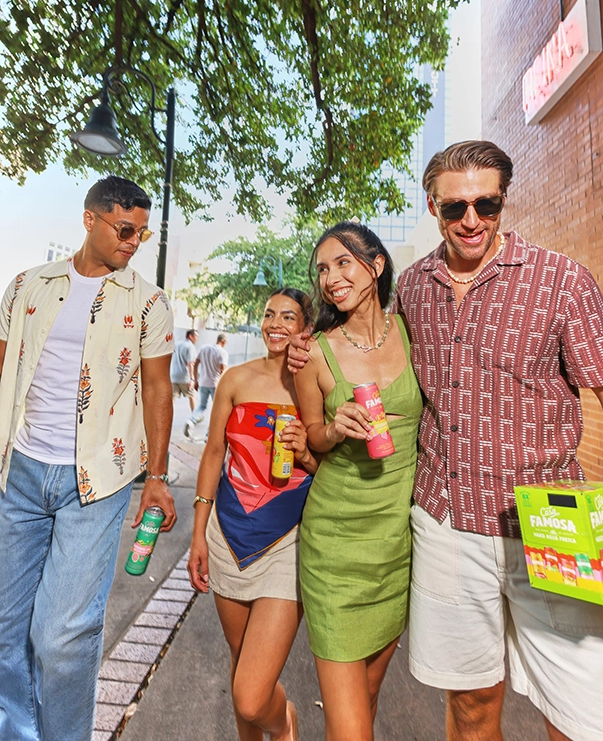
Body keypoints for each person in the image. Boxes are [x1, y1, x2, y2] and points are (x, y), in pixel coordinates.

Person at [288, 141, 603, 741]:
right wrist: (300, 344)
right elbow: (363, 339)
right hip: (447, 522)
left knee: (578, 713)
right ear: (432, 206)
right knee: (472, 705)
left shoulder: (562, 280)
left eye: (487, 204)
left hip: (554, 520)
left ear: (503, 201)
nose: (472, 221)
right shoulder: (413, 289)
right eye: (455, 207)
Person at [0, 175, 177, 741]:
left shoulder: (148, 303)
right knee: (5, 629)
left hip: (97, 480)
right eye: (125, 229)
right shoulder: (27, 284)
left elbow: (156, 390)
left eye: (142, 234)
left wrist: (157, 477)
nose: (133, 241)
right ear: (90, 218)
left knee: (60, 636)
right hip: (20, 472)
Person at [293, 223, 422, 741]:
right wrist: (332, 427)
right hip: (336, 544)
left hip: (397, 542)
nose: (330, 277)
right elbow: (310, 438)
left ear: (376, 265)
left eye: (343, 262)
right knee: (351, 730)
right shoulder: (314, 354)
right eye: (322, 268)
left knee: (365, 700)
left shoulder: (415, 331)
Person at [187, 288, 317, 741]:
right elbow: (213, 453)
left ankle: (283, 725)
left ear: (306, 327)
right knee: (240, 658)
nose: (275, 324)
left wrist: (306, 452)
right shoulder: (235, 379)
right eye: (268, 315)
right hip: (228, 533)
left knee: (251, 692)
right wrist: (199, 534)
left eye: (288, 316)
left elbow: (331, 468)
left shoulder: (317, 383)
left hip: (289, 539)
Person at [184, 332, 228, 437]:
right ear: (224, 342)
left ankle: (191, 421)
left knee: (201, 406)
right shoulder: (223, 352)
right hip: (215, 384)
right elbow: (223, 370)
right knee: (216, 409)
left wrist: (195, 380)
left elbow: (195, 364)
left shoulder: (204, 348)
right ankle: (209, 434)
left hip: (203, 383)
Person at [171, 328, 198, 412]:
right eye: (196, 336)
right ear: (190, 336)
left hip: (174, 376)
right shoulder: (190, 347)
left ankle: (167, 416)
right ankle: (194, 416)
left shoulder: (177, 344)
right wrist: (192, 378)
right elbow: (190, 363)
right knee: (191, 396)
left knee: (173, 397)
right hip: (185, 377)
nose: (197, 338)